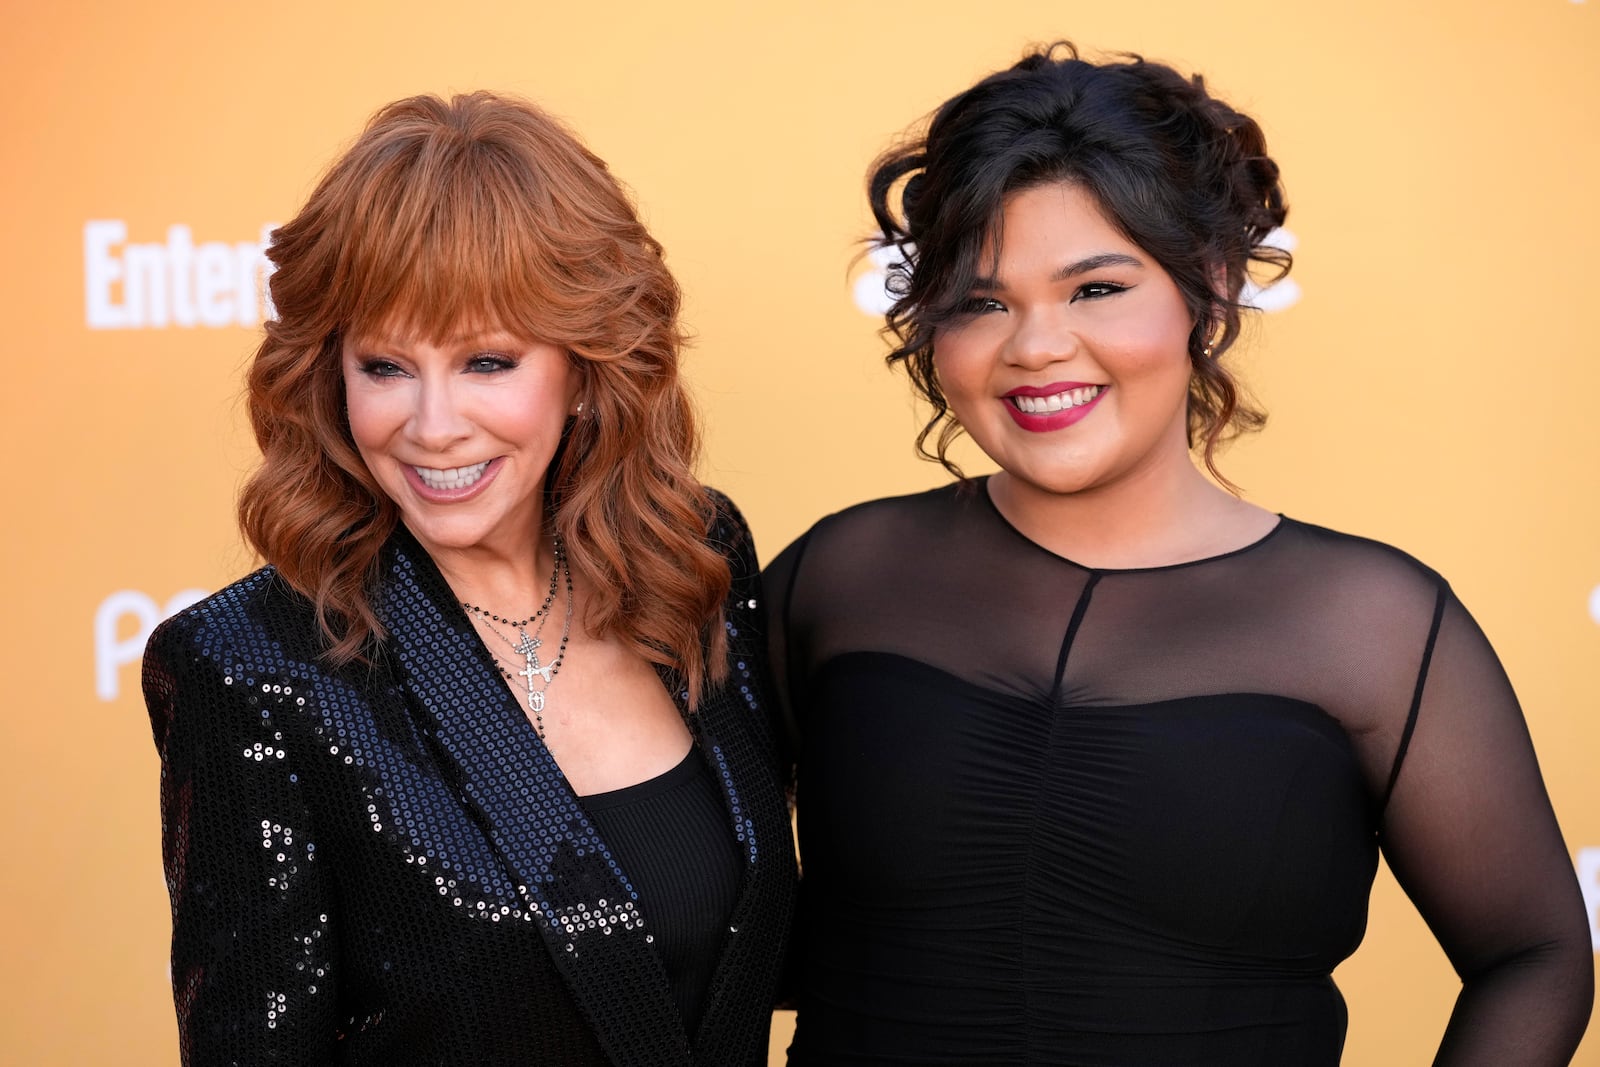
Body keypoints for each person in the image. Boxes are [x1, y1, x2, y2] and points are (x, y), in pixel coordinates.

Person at [765, 43, 1592, 1065]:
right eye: (981, 302)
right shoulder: (841, 576)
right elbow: (692, 883)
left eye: (1095, 288)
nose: (1035, 347)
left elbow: (1536, 952)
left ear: (1206, 284)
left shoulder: (1373, 624)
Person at [142, 91, 795, 1066]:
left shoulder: (692, 555)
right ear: (330, 374)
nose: (432, 423)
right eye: (385, 365)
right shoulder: (251, 666)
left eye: (487, 360)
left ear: (585, 367)